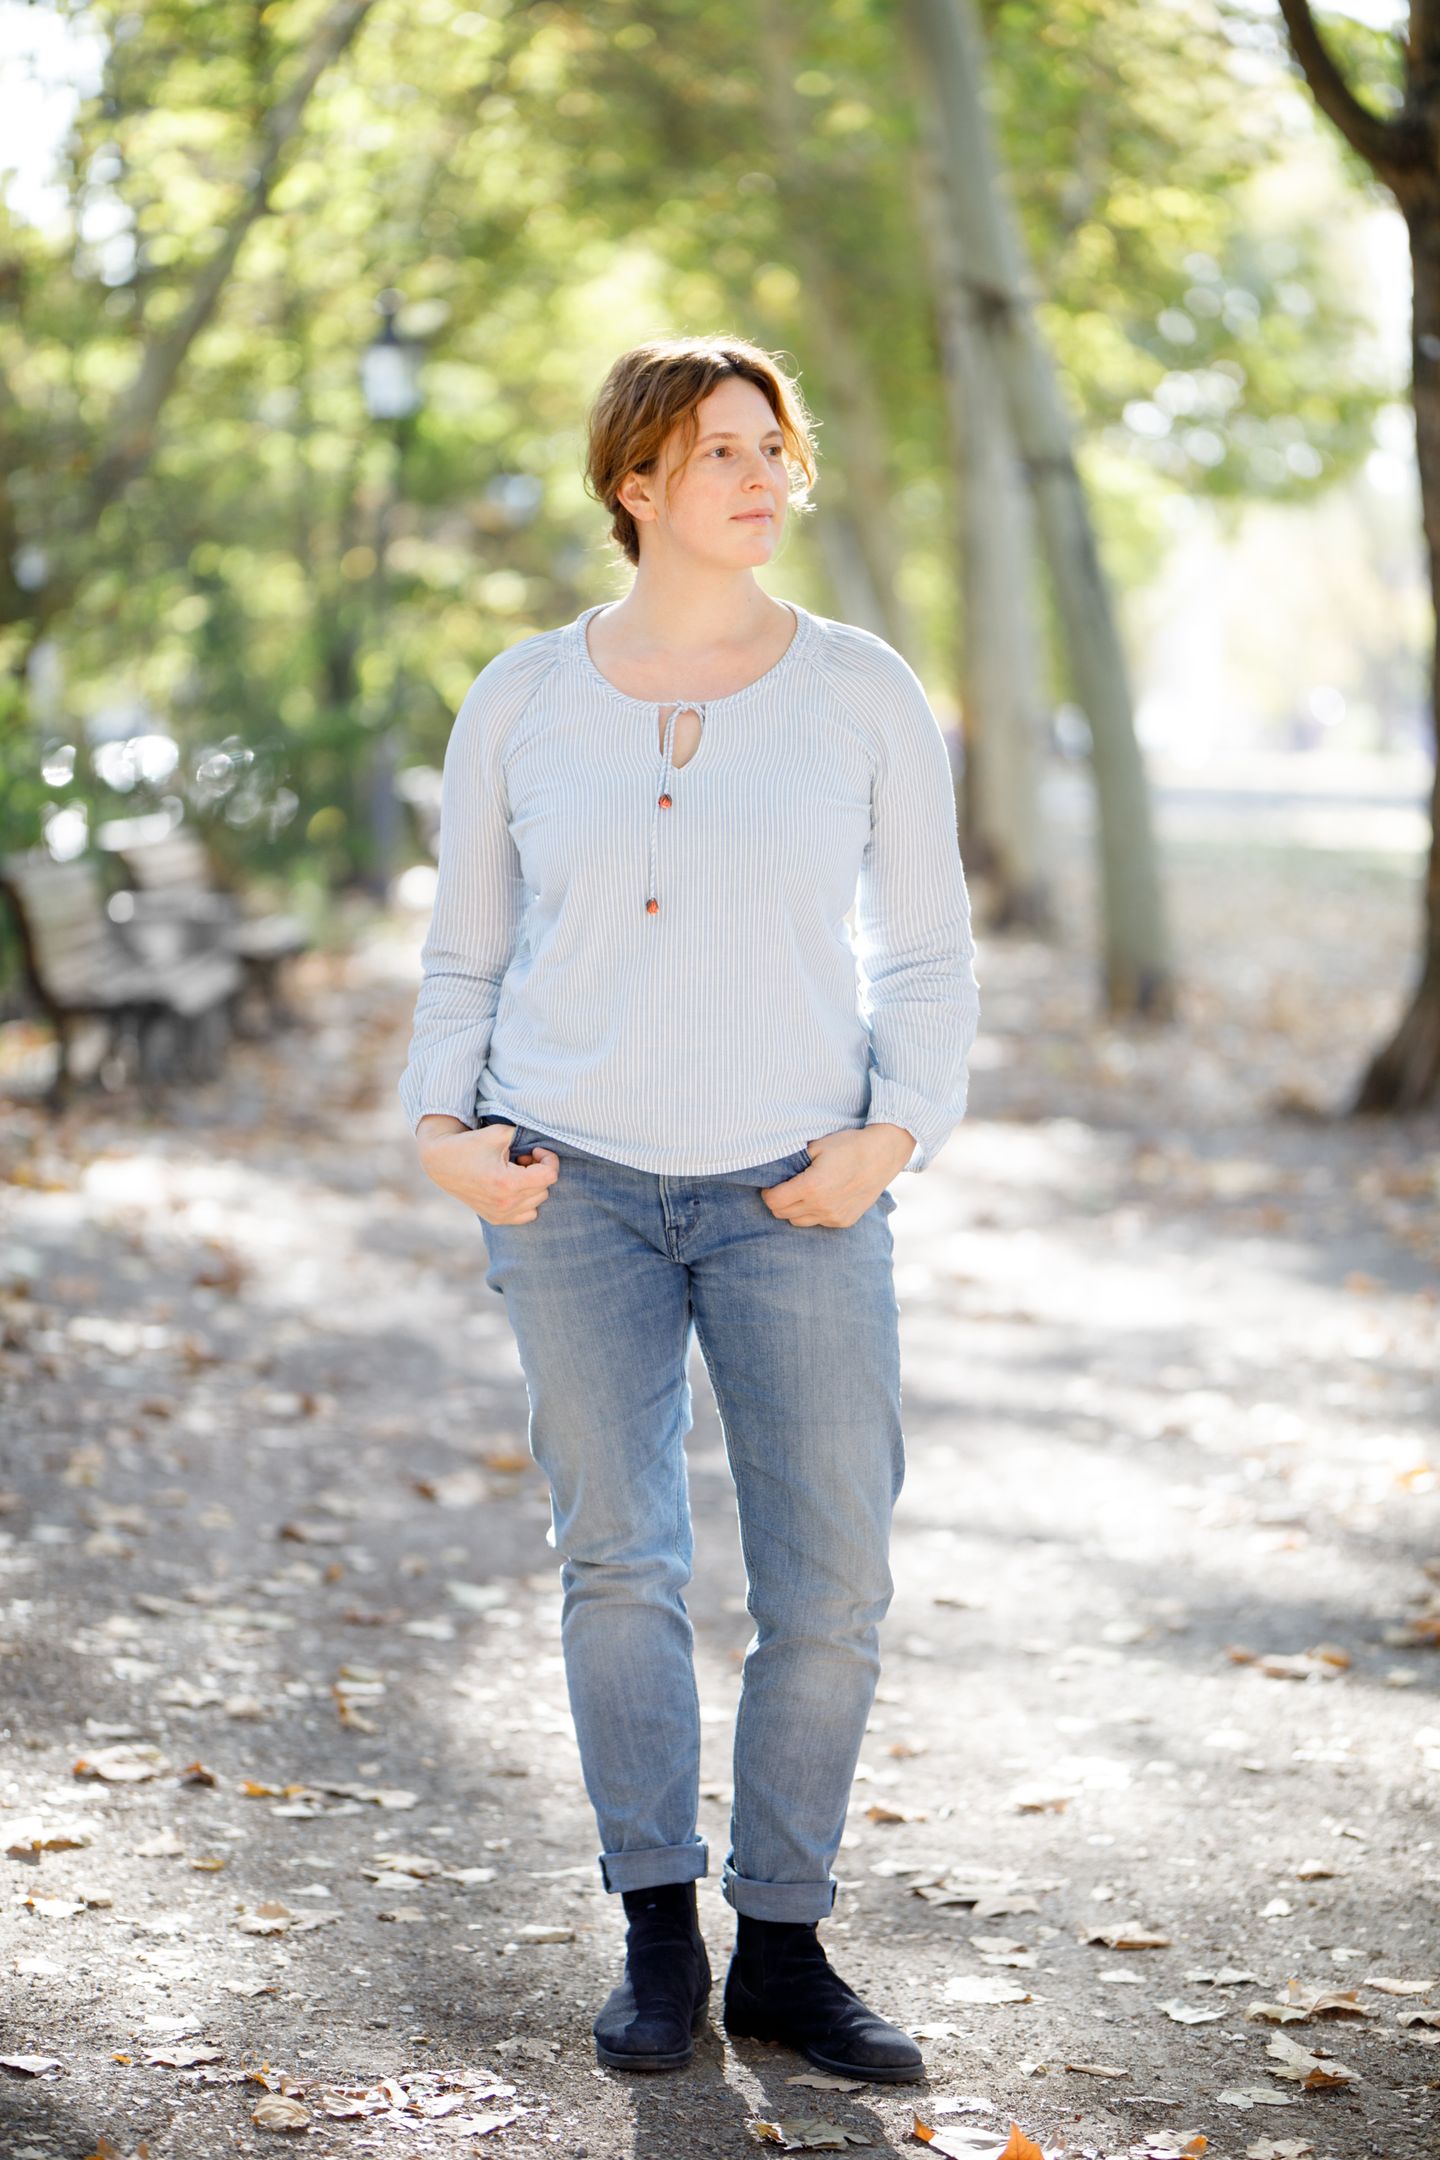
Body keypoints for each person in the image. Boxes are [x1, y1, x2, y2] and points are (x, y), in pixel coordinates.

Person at [399, 334, 980, 2080]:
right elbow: (465, 950)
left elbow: (929, 950)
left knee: (835, 1576)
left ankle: (784, 1945)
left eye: (771, 445)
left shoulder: (861, 688)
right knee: (620, 1564)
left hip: (797, 1193)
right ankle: (658, 1932)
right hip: (568, 1186)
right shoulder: (520, 696)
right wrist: (439, 1126)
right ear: (633, 483)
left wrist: (891, 1138)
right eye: (718, 448)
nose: (759, 473)